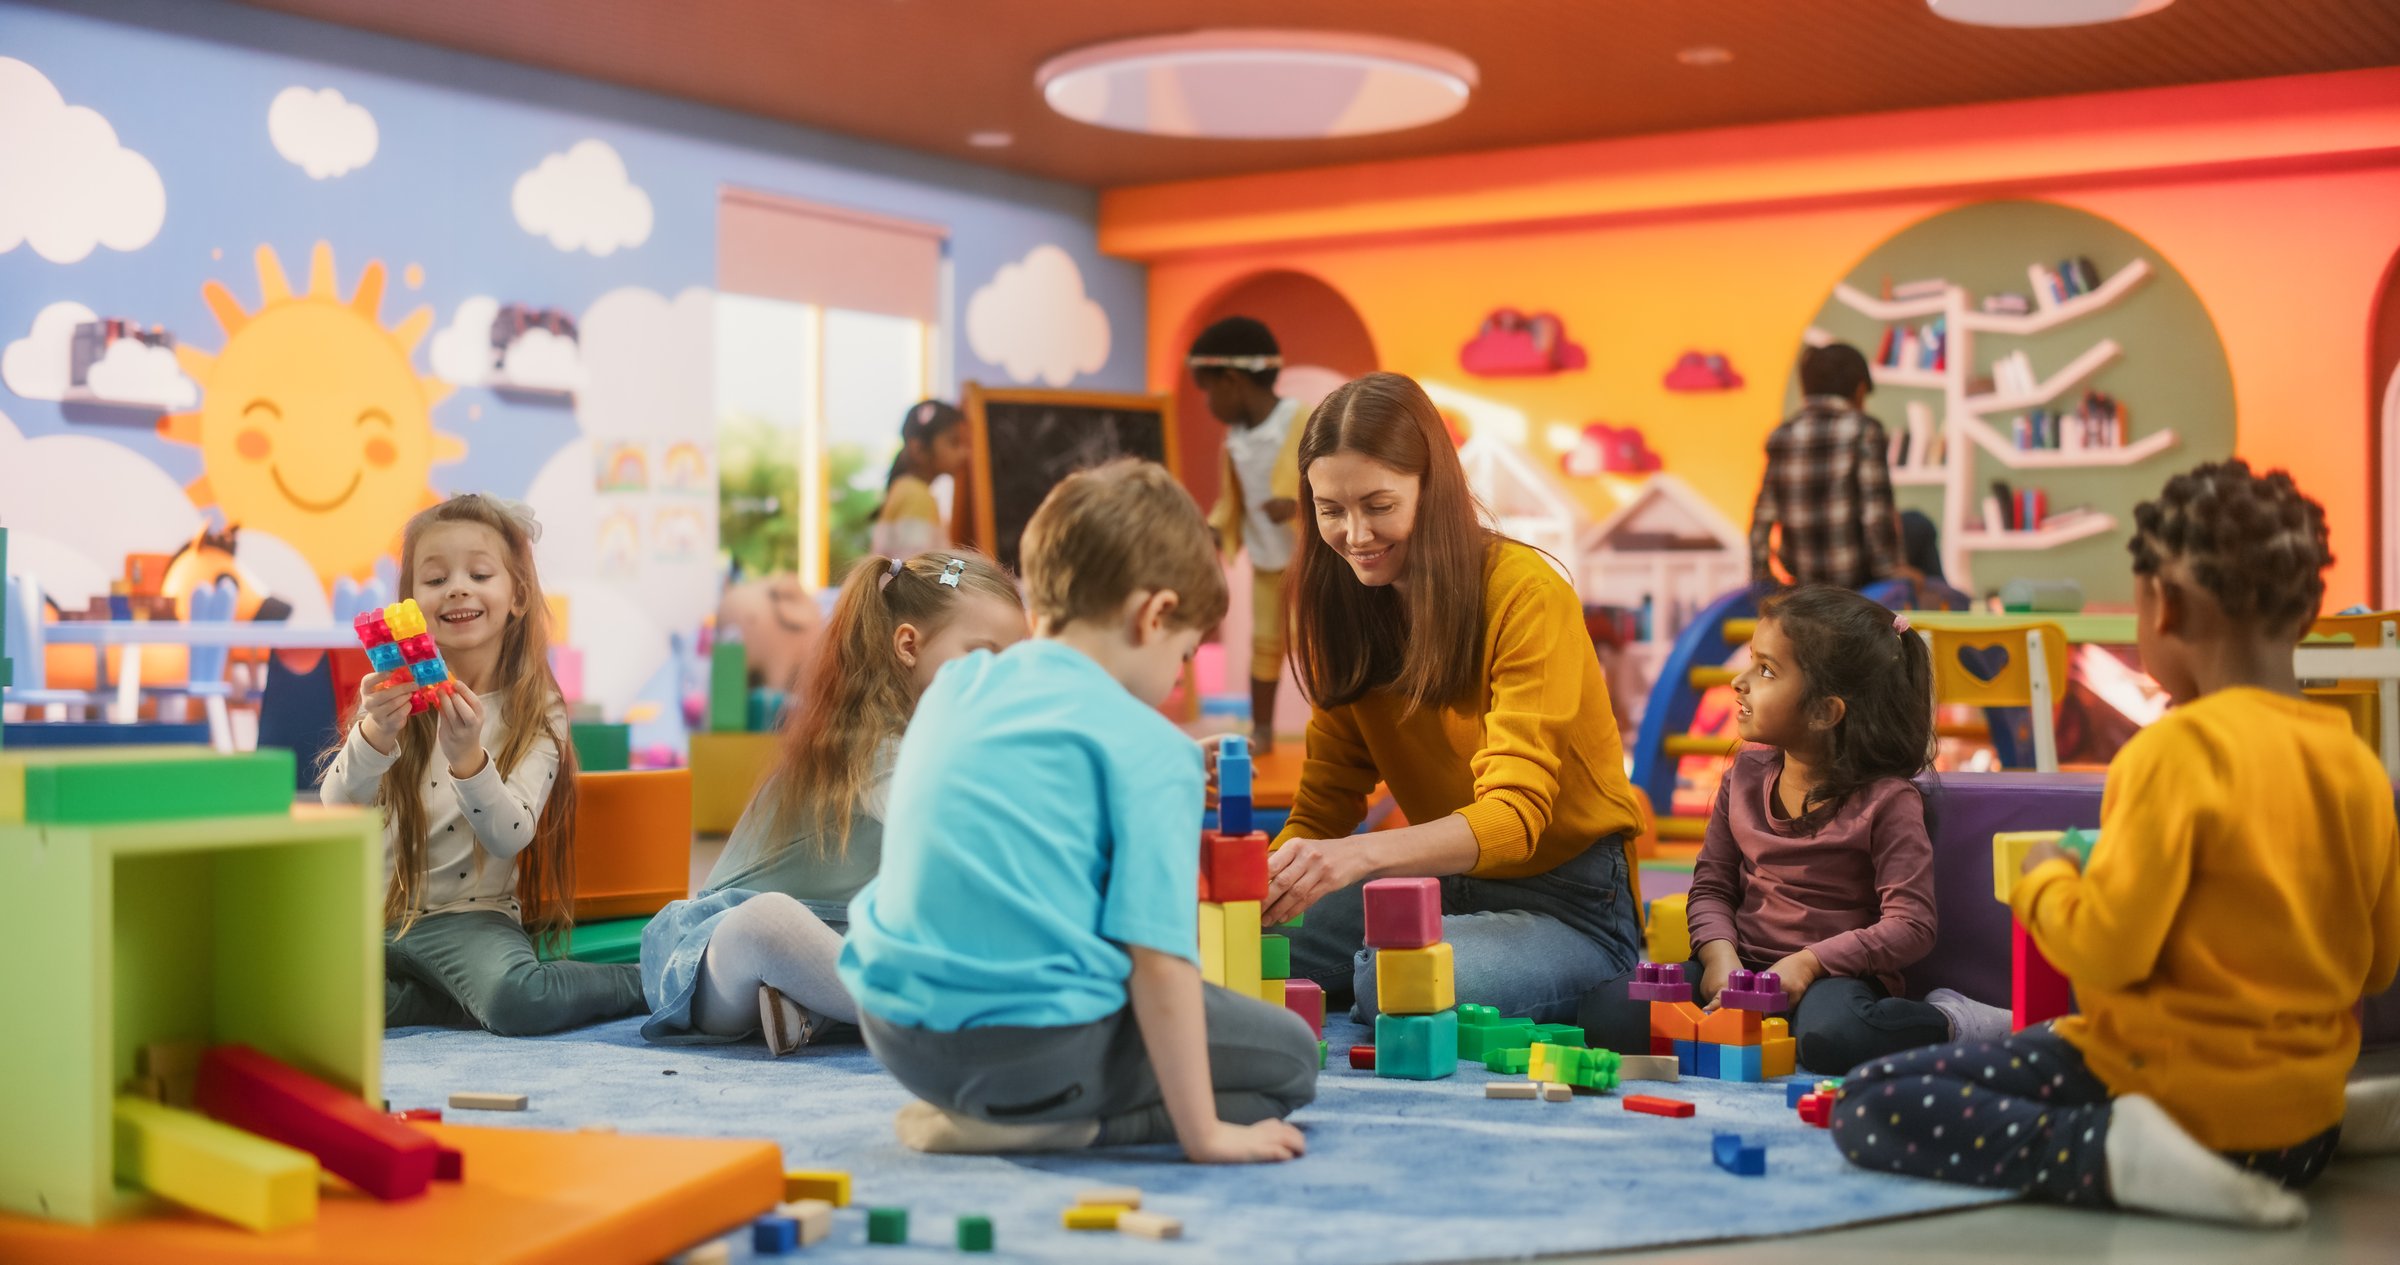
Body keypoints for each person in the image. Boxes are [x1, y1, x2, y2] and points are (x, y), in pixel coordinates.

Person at [1834, 460, 2400, 1226]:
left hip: (2173, 1100)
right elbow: (2378, 963)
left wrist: (2046, 879)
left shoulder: (2172, 754)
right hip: (2295, 1128)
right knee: (2236, 1088)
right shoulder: (2358, 767)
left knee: (1869, 1103)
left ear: (2163, 605)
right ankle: (2329, 1121)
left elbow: (2107, 952)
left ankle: (2113, 1152)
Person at [841, 459, 1316, 1163]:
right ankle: (1062, 1126)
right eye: (1184, 653)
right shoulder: (1148, 749)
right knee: (1291, 1060)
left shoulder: (958, 684)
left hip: (896, 1029)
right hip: (1030, 1053)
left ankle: (995, 1107)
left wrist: (1180, 762)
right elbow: (1158, 965)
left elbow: (1041, 769)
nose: (1178, 675)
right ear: (1154, 615)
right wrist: (1204, 1135)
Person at [1267, 372, 1647, 1025]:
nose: (1355, 534)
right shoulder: (1346, 608)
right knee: (1242, 944)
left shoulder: (1525, 592)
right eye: (1331, 509)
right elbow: (1323, 808)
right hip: (1436, 889)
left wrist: (1358, 855)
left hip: (1573, 903)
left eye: (1378, 505)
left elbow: (1513, 817)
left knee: (1391, 978)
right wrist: (1259, 888)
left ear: (1431, 489)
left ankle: (1586, 963)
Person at [638, 551, 1025, 1052]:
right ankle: (920, 1015)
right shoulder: (871, 748)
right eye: (984, 656)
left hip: (835, 942)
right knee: (767, 923)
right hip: (709, 959)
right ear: (909, 645)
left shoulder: (941, 743)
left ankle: (810, 1006)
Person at [322, 493, 643, 1035]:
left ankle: (641, 980)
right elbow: (336, 806)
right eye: (435, 578)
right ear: (410, 602)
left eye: (479, 573)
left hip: (469, 919)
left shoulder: (538, 708)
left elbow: (509, 834)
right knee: (304, 998)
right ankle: (445, 1002)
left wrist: (469, 758)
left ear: (517, 596)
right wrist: (375, 731)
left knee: (517, 999)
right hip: (374, 916)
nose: (457, 587)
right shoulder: (389, 695)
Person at [1681, 584, 2009, 1075]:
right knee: (1611, 1013)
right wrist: (1718, 958)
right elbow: (1711, 888)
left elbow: (1911, 925)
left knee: (1834, 1037)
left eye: (1766, 670)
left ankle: (1951, 1019)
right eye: (1751, 661)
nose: (1740, 681)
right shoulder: (1743, 779)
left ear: (1825, 711)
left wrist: (1808, 963)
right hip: (1741, 968)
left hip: (1832, 981)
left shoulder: (1887, 801)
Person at [1189, 317, 1307, 753]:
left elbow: (1328, 478)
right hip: (1266, 561)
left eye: (1208, 390)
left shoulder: (1298, 420)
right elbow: (1230, 498)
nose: (1208, 404)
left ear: (1233, 381)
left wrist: (1298, 507)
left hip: (1308, 560)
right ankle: (1263, 730)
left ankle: (1341, 732)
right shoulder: (1235, 438)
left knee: (1322, 647)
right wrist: (1215, 529)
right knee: (1265, 644)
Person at [1750, 343, 1903, 590]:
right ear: (1860, 391)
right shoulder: (1864, 430)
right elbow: (1876, 514)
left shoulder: (1781, 435)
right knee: (1918, 524)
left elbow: (1763, 517)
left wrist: (1761, 578)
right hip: (1856, 578)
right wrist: (1892, 573)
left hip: (1804, 579)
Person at [870, 400, 970, 558]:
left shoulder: (906, 488)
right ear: (918, 449)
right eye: (954, 443)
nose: (965, 453)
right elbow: (913, 571)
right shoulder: (916, 496)